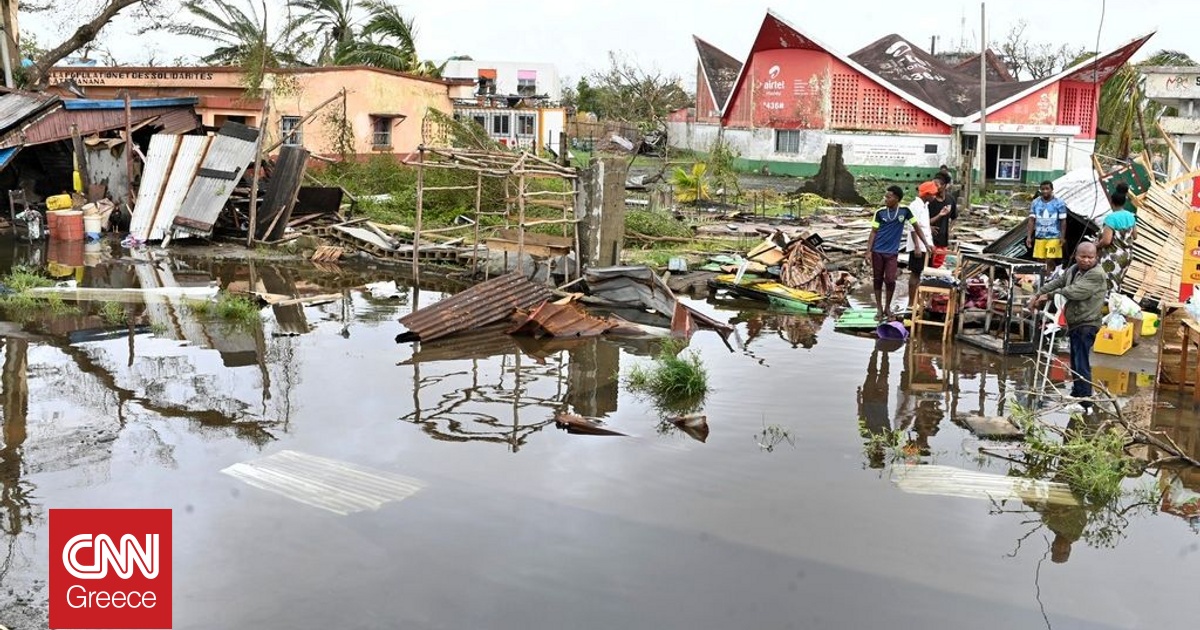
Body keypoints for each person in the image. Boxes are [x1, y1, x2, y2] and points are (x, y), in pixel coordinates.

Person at [1029, 242, 1107, 409]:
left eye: (1090, 257)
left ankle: (1086, 401)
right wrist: (1039, 294)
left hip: (1088, 322)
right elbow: (1058, 282)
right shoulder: (1073, 270)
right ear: (1076, 256)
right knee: (1075, 360)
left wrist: (1048, 296)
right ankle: (1077, 393)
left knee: (1081, 361)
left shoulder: (1097, 274)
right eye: (1083, 257)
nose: (1087, 260)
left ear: (1096, 258)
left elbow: (1076, 291)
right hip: (1076, 322)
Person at [865, 185, 931, 321]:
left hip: (892, 253)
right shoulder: (880, 213)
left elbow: (916, 227)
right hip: (878, 250)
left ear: (896, 198)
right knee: (877, 279)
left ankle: (887, 307)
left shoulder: (905, 211)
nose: (885, 199)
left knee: (890, 279)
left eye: (888, 197)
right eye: (885, 197)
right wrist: (868, 251)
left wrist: (925, 243)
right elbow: (873, 232)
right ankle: (879, 308)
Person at [906, 181, 939, 309]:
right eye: (933, 194)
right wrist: (917, 246)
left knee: (922, 274)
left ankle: (918, 301)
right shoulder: (915, 205)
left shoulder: (925, 206)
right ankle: (910, 303)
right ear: (927, 194)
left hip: (926, 244)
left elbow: (925, 227)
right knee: (915, 273)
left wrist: (930, 244)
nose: (934, 197)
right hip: (918, 245)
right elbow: (913, 227)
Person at [1097, 190, 1137, 295]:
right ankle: (1114, 304)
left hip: (1112, 256)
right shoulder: (1130, 216)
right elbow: (1135, 236)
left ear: (1111, 202)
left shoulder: (1111, 218)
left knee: (1107, 282)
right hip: (1127, 255)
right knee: (1117, 282)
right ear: (1124, 202)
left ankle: (1105, 305)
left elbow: (1106, 241)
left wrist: (1096, 245)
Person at [1026, 180, 1068, 274]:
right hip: (1040, 236)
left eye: (1047, 189)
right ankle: (1041, 277)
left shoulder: (1059, 203)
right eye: (1042, 189)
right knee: (1040, 260)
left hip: (1054, 237)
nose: (1045, 191)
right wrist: (1029, 236)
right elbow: (1031, 220)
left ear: (1052, 189)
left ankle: (1047, 277)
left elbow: (1063, 221)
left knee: (1050, 259)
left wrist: (1062, 236)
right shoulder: (1035, 203)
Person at [928, 172, 958, 268]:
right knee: (928, 266)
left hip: (943, 240)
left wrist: (950, 230)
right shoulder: (930, 200)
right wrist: (929, 227)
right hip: (929, 239)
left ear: (944, 186)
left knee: (938, 266)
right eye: (932, 185)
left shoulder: (950, 199)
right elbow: (921, 221)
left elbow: (954, 217)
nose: (934, 187)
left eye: (936, 185)